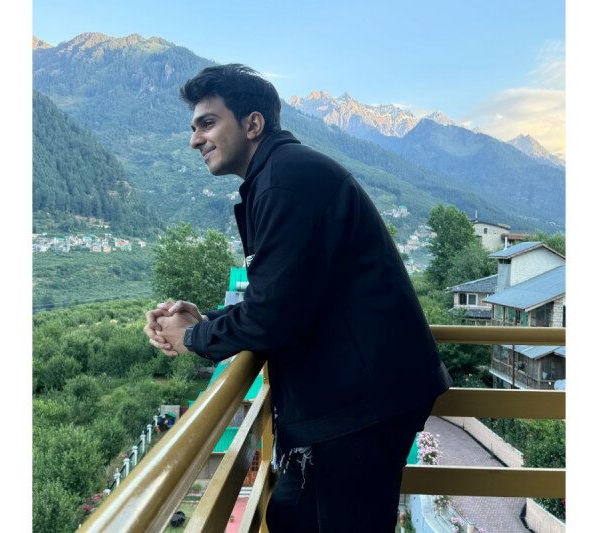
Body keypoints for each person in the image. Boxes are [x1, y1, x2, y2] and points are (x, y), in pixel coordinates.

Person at [144, 64, 452, 532]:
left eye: (207, 123)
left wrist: (193, 337)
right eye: (194, 127)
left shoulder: (286, 182)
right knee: (290, 517)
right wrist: (204, 320)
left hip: (359, 408)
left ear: (252, 123)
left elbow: (272, 316)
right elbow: (285, 296)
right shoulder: (281, 175)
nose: (194, 140)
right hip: (349, 401)